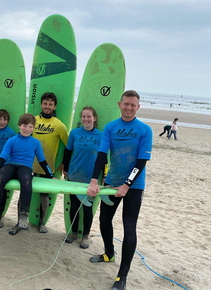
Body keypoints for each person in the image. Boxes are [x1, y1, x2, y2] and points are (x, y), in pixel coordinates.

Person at [87, 90, 152, 290]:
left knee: (129, 227)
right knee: (104, 220)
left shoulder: (145, 130)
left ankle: (122, 277)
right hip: (111, 182)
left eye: (133, 105)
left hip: (134, 186)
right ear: (119, 104)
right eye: (126, 104)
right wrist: (93, 180)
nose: (129, 108)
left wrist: (127, 185)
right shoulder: (110, 127)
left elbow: (142, 161)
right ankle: (109, 253)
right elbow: (101, 155)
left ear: (138, 107)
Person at [0, 113, 53, 235]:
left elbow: (42, 161)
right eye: (25, 126)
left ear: (33, 128)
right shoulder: (12, 140)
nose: (27, 129)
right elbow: (2, 158)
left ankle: (23, 216)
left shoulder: (35, 142)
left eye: (30, 127)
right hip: (10, 166)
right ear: (19, 125)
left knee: (27, 181)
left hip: (25, 168)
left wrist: (50, 175)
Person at [63, 106, 102, 249]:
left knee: (87, 207)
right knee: (73, 205)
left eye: (89, 116)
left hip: (90, 178)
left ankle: (85, 236)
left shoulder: (100, 135)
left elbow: (103, 157)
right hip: (74, 174)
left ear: (94, 118)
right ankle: (73, 233)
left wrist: (102, 176)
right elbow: (68, 152)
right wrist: (65, 169)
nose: (86, 119)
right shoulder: (74, 133)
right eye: (84, 116)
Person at [32, 92, 69, 233]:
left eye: (50, 104)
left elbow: (69, 146)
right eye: (45, 103)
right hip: (30, 165)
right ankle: (20, 219)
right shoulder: (33, 121)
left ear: (54, 107)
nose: (47, 106)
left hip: (47, 168)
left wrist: (65, 163)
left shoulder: (59, 125)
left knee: (44, 195)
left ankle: (41, 222)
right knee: (25, 192)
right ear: (41, 104)